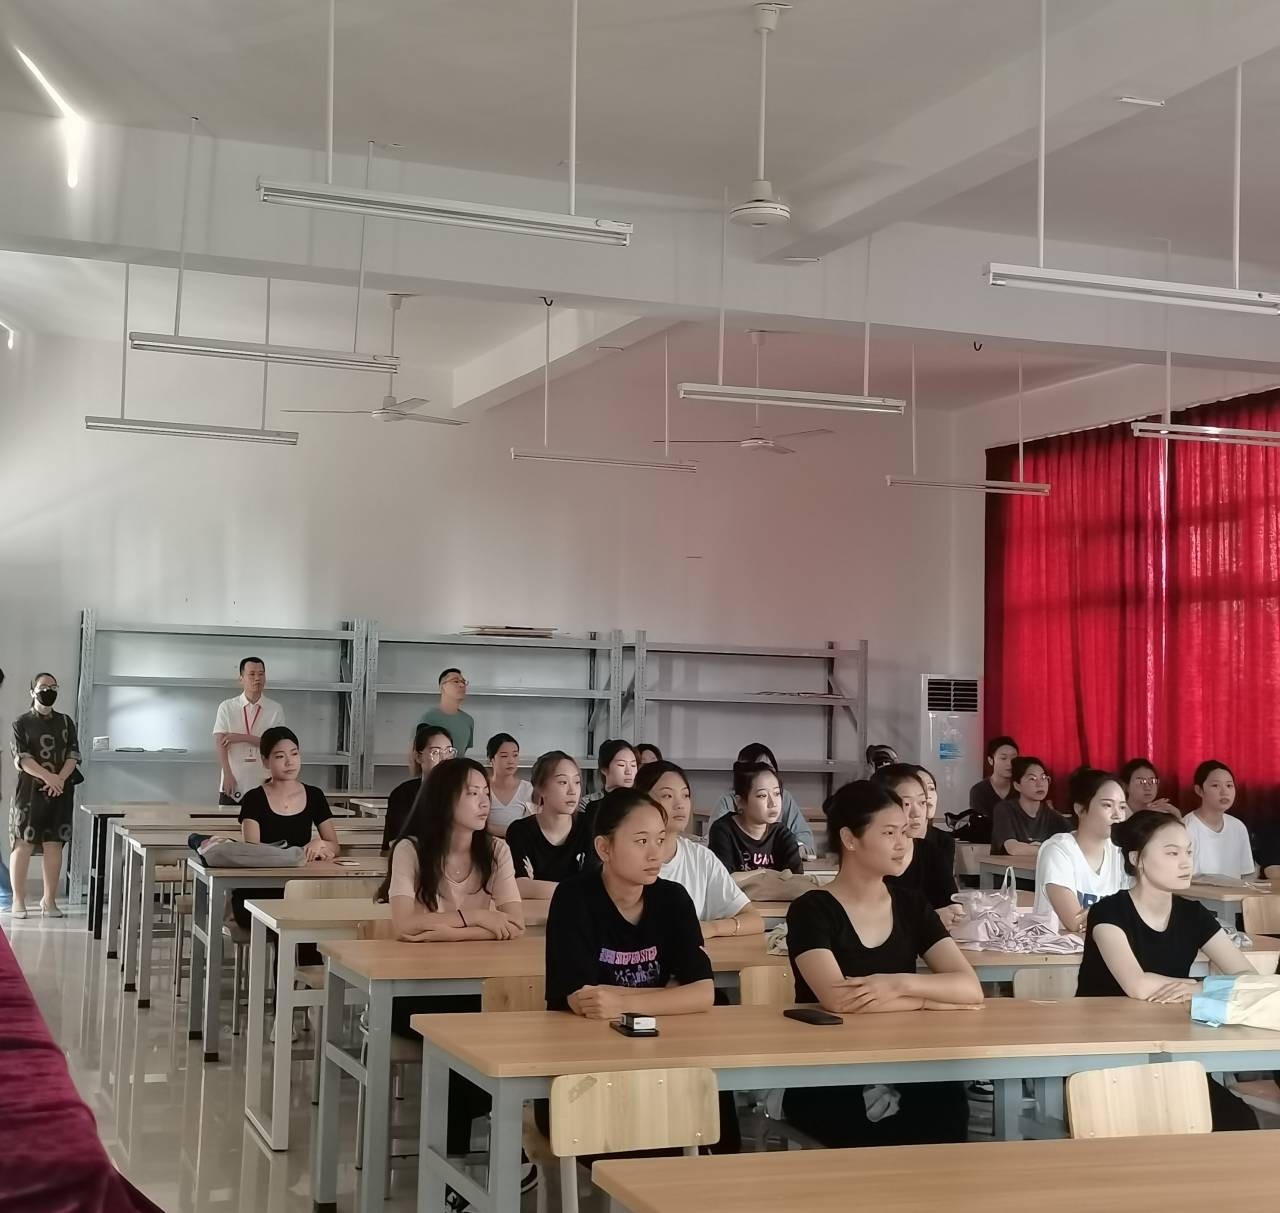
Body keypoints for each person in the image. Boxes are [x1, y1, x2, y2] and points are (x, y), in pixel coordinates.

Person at [783, 780, 983, 1148]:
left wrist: (898, 985)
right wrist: (933, 1001)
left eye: (905, 832)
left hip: (904, 1058)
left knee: (948, 1102)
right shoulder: (811, 910)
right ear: (850, 839)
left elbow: (969, 988)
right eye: (889, 833)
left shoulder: (912, 904)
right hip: (829, 1071)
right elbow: (841, 1000)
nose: (903, 843)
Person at [374, 758, 524, 1185]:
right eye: (472, 793)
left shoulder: (496, 851)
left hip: (476, 986)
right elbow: (405, 925)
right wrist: (476, 919)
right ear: (444, 799)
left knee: (485, 1026)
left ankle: (464, 1167)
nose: (484, 802)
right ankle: (474, 1163)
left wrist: (443, 929)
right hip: (414, 991)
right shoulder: (411, 849)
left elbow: (514, 924)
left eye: (485, 793)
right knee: (464, 1033)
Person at [1075, 810, 1261, 1132]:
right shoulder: (1108, 912)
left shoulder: (1193, 914)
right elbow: (1137, 985)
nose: (1186, 862)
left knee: (1238, 1121)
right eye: (1172, 853)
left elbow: (1249, 977)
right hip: (1107, 1050)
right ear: (1137, 859)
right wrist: (1199, 985)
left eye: (1188, 852)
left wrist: (1201, 987)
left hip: (1168, 1048)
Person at [635, 761, 764, 939]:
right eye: (667, 796)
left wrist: (711, 928)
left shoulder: (700, 858)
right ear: (641, 801)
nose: (680, 804)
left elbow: (754, 920)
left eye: (685, 795)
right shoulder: (628, 859)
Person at [9, 673, 80, 919]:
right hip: (29, 793)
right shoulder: (21, 723)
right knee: (23, 843)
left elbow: (73, 754)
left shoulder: (66, 721)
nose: (48, 690)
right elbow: (22, 758)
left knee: (54, 844)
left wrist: (59, 779)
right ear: (32, 691)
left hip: (60, 791)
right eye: (43, 686)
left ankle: (49, 901)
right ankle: (19, 900)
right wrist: (49, 777)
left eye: (53, 686)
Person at [1033, 767, 1128, 933]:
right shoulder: (1057, 850)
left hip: (1106, 944)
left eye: (1122, 807)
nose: (1117, 815)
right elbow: (1076, 922)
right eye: (1107, 805)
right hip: (1059, 948)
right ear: (1080, 809)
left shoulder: (1121, 852)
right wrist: (1120, 915)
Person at [874, 764, 960, 928]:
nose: (917, 813)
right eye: (906, 804)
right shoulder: (870, 854)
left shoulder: (931, 851)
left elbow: (952, 905)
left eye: (922, 802)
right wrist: (929, 919)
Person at [506, 751, 591, 898]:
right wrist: (577, 889)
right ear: (541, 788)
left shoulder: (590, 825)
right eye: (563, 782)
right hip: (534, 911)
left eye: (577, 782)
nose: (573, 791)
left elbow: (596, 886)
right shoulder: (520, 831)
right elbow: (519, 887)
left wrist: (536, 886)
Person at [709, 742, 816, 857]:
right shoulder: (727, 803)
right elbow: (717, 844)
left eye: (770, 768)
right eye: (761, 796)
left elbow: (805, 840)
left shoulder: (784, 799)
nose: (773, 803)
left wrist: (794, 849)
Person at [708, 762, 803, 875]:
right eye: (762, 795)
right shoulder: (723, 831)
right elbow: (724, 879)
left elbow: (795, 879)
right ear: (740, 802)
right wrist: (768, 874)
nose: (773, 803)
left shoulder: (782, 834)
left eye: (777, 793)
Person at [213, 657, 285, 805]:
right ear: (241, 679)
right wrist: (227, 774)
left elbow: (277, 746)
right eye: (252, 674)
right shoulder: (227, 707)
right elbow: (220, 742)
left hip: (265, 783)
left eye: (261, 674)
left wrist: (242, 737)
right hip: (233, 783)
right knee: (228, 820)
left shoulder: (275, 709)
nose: (257, 678)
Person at [381, 724, 454, 852]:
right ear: (418, 757)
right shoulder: (403, 794)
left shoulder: (461, 792)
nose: (444, 759)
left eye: (449, 752)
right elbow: (396, 841)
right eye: (435, 752)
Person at [1183, 760, 1255, 879]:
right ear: (1199, 790)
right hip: (1196, 892)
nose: (1224, 792)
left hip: (1235, 891)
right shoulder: (1187, 828)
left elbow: (1246, 874)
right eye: (1215, 785)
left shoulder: (1238, 826)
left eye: (1229, 785)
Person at [990, 756, 1070, 856]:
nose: (1040, 784)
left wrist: (1036, 848)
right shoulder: (1004, 809)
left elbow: (1074, 844)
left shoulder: (1053, 816)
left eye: (1043, 778)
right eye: (1032, 779)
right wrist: (1047, 849)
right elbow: (1013, 849)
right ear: (1017, 786)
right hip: (1007, 866)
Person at [959, 736, 1019, 842]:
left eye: (1014, 758)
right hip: (987, 844)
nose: (1009, 763)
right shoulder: (979, 791)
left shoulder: (1022, 788)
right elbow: (982, 826)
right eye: (1003, 758)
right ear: (991, 760)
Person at [579, 739, 638, 832]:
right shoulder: (587, 803)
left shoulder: (641, 803)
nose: (629, 771)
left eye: (633, 765)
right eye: (621, 765)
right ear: (604, 769)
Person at [416, 667, 475, 757]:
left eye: (464, 682)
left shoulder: (468, 720)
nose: (462, 685)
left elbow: (461, 754)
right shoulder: (428, 719)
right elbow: (416, 754)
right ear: (442, 687)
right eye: (456, 681)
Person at [485, 732, 532, 836]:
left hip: (518, 843)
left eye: (515, 755)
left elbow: (531, 828)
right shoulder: (482, 787)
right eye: (504, 756)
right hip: (486, 842)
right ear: (490, 759)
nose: (511, 761)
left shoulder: (528, 789)